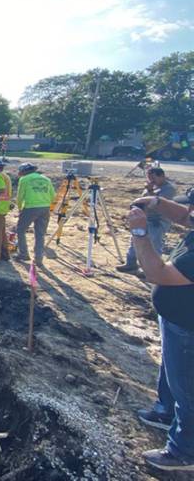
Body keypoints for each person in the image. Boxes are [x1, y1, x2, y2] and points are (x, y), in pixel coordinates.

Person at [128, 187, 194, 471]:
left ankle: (184, 451)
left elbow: (157, 273)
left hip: (187, 327)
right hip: (176, 319)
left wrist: (140, 233)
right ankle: (166, 411)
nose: (188, 214)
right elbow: (185, 216)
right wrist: (156, 203)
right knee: (173, 376)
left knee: (187, 389)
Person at [117, 167, 176, 274]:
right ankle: (131, 264)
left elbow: (157, 204)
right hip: (144, 218)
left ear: (162, 176)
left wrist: (150, 190)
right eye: (149, 178)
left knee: (154, 245)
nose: (151, 181)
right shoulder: (151, 186)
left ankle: (153, 269)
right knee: (135, 240)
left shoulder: (169, 189)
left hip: (158, 221)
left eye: (153, 178)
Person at [14, 162, 55, 266]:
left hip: (30, 207)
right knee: (40, 234)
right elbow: (53, 196)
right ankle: (38, 259)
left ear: (23, 171)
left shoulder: (24, 179)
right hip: (45, 208)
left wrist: (20, 208)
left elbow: (20, 196)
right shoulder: (46, 179)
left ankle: (23, 254)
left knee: (20, 230)